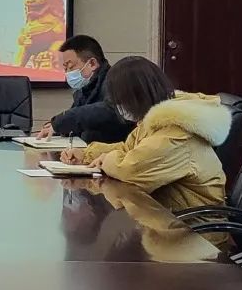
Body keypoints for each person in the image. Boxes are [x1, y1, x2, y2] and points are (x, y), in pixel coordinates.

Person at [59, 56, 228, 212]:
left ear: (136, 96)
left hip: (195, 229)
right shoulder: (154, 121)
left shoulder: (176, 130)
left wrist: (106, 160)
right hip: (168, 218)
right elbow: (128, 149)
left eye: (120, 100)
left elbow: (131, 170)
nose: (118, 107)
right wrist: (86, 154)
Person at [37, 35, 133, 143]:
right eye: (65, 68)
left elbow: (110, 111)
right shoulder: (83, 89)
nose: (67, 73)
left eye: (70, 66)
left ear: (92, 63)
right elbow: (77, 122)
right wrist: (58, 128)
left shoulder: (116, 81)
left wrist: (62, 121)